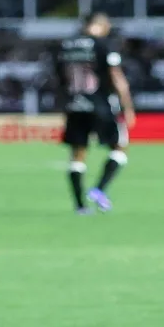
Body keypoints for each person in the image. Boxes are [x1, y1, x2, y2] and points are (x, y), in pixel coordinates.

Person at [54, 12, 135, 214]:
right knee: (120, 146)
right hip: (100, 104)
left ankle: (80, 206)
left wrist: (63, 104)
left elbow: (59, 78)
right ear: (101, 25)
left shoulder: (66, 45)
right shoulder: (104, 45)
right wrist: (127, 107)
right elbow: (116, 77)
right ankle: (99, 189)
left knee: (77, 153)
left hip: (74, 104)